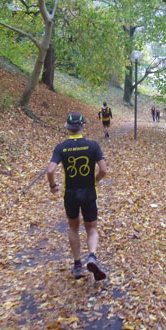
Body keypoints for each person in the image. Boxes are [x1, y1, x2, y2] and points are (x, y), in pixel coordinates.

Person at [46, 112, 108, 281]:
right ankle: (92, 256)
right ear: (83, 126)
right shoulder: (93, 145)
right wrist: (95, 180)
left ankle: (77, 264)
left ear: (67, 127)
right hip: (89, 192)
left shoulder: (61, 148)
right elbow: (103, 170)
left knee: (73, 227)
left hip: (70, 194)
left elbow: (50, 170)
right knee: (92, 228)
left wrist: (52, 186)